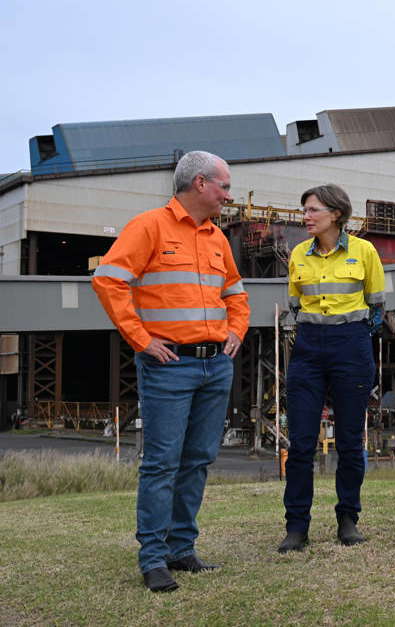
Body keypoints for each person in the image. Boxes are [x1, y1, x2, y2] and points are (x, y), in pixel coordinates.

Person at [91, 151, 249, 593]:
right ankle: (153, 558)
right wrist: (141, 339)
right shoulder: (148, 227)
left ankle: (182, 549)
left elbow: (235, 293)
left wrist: (236, 330)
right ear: (200, 183)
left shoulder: (217, 238)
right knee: (161, 464)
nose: (228, 194)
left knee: (197, 460)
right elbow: (108, 280)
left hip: (215, 365)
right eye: (224, 185)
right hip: (169, 365)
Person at [277, 184, 385, 553]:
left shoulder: (364, 252)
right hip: (308, 349)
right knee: (302, 442)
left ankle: (348, 520)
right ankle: (296, 527)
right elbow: (295, 304)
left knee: (351, 442)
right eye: (304, 210)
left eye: (312, 210)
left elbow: (376, 308)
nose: (305, 216)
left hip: (351, 347)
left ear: (336, 214)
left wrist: (349, 336)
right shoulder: (297, 255)